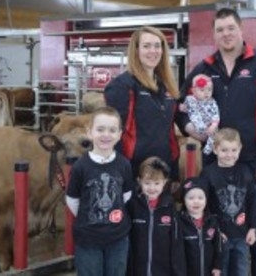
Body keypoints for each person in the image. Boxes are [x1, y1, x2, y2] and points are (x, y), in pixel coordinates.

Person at [179, 7, 256, 276]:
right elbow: (180, 107)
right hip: (215, 163)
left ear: (241, 30)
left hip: (253, 162)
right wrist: (190, 128)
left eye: (230, 28)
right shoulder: (204, 69)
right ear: (214, 35)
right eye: (220, 30)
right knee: (217, 227)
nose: (226, 34)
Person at [104, 26, 180, 181]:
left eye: (157, 46)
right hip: (134, 171)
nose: (153, 51)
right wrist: (119, 175)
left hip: (163, 169)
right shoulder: (122, 86)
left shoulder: (166, 87)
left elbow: (169, 131)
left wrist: (175, 170)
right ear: (136, 50)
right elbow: (113, 135)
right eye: (146, 46)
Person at [66, 107, 133, 276]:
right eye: (100, 129)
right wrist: (88, 214)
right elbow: (72, 199)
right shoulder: (80, 166)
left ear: (119, 134)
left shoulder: (124, 164)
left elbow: (125, 195)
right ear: (90, 132)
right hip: (88, 238)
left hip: (117, 237)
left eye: (112, 130)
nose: (106, 135)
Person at [200, 128, 256, 276]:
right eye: (224, 150)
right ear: (215, 149)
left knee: (241, 269)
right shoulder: (208, 173)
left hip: (242, 234)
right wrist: (213, 229)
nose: (229, 155)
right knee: (221, 269)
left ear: (240, 149)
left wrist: (253, 228)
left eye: (233, 150)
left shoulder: (245, 172)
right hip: (220, 235)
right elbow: (204, 205)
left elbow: (252, 202)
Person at [126, 156, 186, 276]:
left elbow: (176, 244)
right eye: (147, 183)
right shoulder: (132, 205)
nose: (152, 188)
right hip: (137, 270)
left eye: (157, 183)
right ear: (139, 181)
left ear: (164, 182)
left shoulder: (169, 207)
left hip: (163, 270)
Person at [179, 177, 222, 276]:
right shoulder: (180, 222)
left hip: (209, 272)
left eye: (200, 197)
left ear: (206, 199)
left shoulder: (212, 221)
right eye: (191, 198)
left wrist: (217, 266)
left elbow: (218, 246)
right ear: (184, 200)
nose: (196, 201)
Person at [179, 74, 220, 155]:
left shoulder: (212, 102)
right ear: (193, 91)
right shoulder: (190, 99)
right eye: (202, 90)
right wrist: (182, 108)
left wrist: (214, 125)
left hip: (209, 123)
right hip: (196, 123)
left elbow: (216, 115)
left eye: (209, 90)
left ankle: (207, 150)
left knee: (215, 134)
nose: (206, 93)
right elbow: (185, 108)